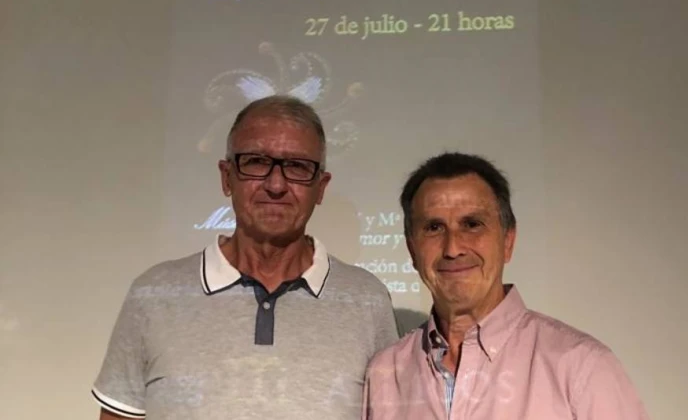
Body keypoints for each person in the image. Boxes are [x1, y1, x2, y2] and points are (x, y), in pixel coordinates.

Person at [92, 95, 399, 419]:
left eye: (297, 166)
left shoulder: (367, 300)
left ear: (320, 187)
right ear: (227, 177)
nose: (276, 185)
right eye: (256, 162)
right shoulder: (153, 294)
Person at [363, 152, 649, 419]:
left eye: (472, 224)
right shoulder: (385, 374)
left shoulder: (581, 367)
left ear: (508, 241)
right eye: (434, 228)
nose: (453, 248)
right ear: (412, 251)